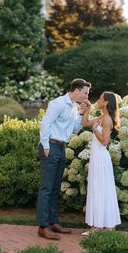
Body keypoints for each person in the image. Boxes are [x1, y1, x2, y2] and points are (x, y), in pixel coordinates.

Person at [36, 78, 91, 240]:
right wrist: (45, 146)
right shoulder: (58, 103)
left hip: (61, 147)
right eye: (85, 93)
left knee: (54, 188)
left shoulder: (73, 107)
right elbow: (45, 124)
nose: (87, 96)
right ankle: (42, 227)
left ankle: (53, 223)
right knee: (46, 188)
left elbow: (74, 129)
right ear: (76, 90)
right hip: (50, 147)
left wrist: (81, 114)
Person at [81, 91, 121, 235]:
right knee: (98, 189)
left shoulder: (107, 120)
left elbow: (104, 142)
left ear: (106, 103)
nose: (98, 101)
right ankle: (100, 226)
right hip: (97, 157)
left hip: (101, 158)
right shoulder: (102, 117)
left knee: (99, 189)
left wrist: (94, 130)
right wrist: (88, 109)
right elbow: (84, 122)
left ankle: (98, 227)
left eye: (100, 99)